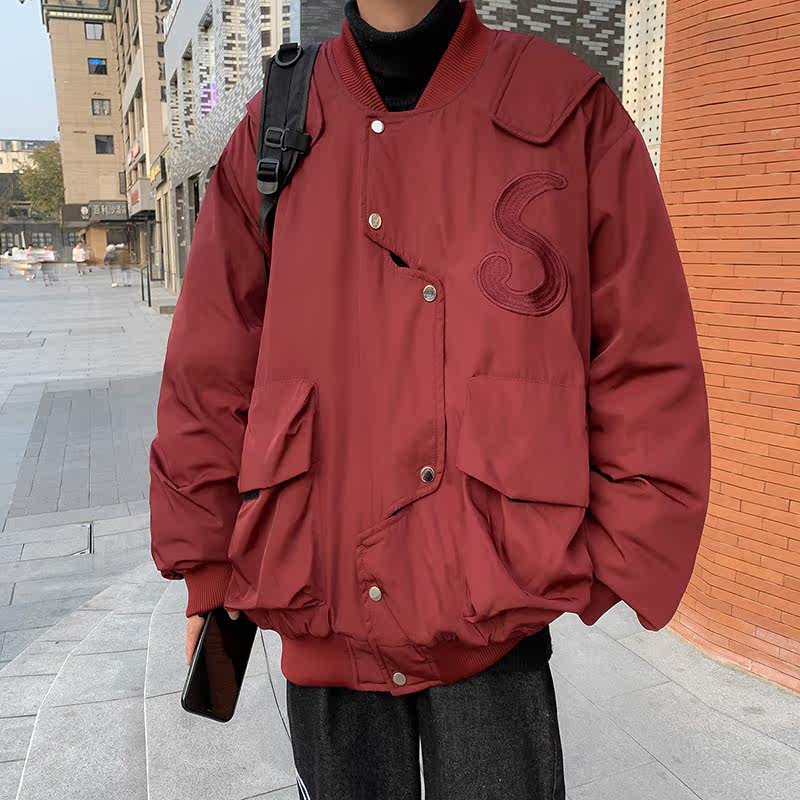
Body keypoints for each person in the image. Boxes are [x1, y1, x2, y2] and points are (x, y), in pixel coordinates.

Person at [148, 1, 712, 798]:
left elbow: (644, 355)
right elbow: (211, 365)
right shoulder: (279, 122)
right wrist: (205, 566)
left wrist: (607, 555)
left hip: (492, 625)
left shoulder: (566, 110)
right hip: (324, 605)